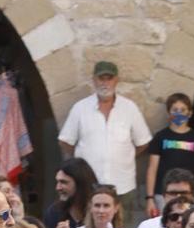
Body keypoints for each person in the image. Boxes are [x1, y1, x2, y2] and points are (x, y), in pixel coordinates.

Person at [57, 62, 153, 209]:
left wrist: (125, 156)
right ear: (94, 80)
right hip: (88, 186)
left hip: (122, 185)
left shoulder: (129, 108)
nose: (105, 83)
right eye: (101, 78)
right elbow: (65, 141)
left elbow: (143, 142)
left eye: (109, 78)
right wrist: (81, 159)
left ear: (116, 80)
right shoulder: (81, 108)